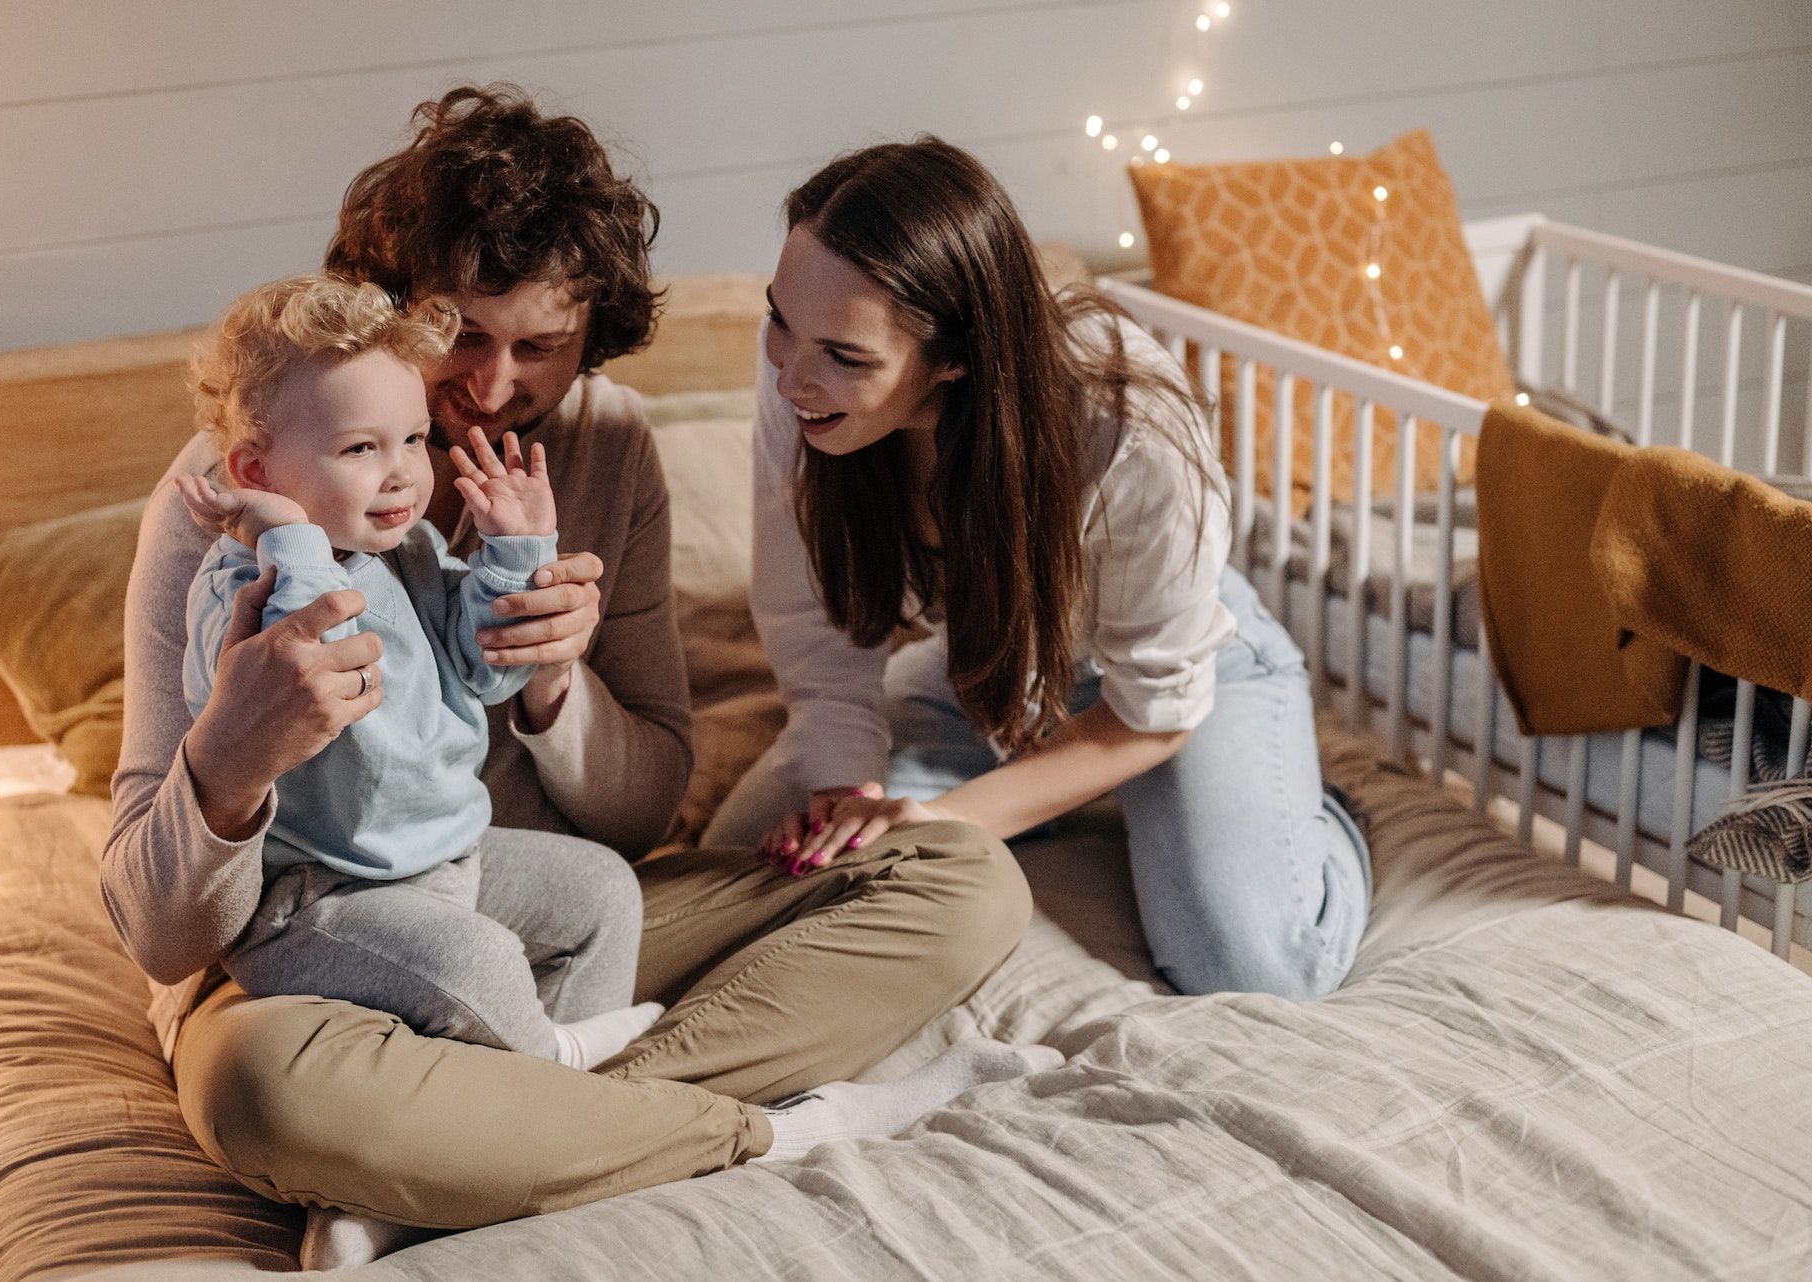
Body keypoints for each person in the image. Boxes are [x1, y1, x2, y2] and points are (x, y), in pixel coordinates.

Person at [100, 86, 1043, 1263]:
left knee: (963, 876)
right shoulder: (236, 494)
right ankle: (764, 1126)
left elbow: (643, 815)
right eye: (460, 338)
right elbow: (158, 933)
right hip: (311, 959)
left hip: (535, 914)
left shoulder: (606, 444)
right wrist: (231, 761)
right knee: (259, 1091)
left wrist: (557, 686)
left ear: (590, 339)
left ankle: (477, 1151)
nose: (491, 389)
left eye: (538, 347)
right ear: (393, 316)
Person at [702, 137, 1372, 1002]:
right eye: (780, 321)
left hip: (1163, 678)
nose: (792, 376)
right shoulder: (801, 373)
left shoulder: (1129, 424)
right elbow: (818, 638)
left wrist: (938, 818)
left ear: (955, 356)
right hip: (989, 669)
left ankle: (1316, 818)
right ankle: (1056, 797)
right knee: (757, 869)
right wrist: (850, 791)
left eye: (846, 358)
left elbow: (1152, 712)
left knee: (1252, 964)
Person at [178, 273, 663, 1069]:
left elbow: (487, 674)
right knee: (477, 963)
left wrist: (517, 551)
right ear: (256, 474)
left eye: (412, 439)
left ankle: (554, 1101)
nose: (403, 472)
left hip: (445, 858)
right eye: (361, 448)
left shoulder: (408, 555)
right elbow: (315, 667)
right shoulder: (241, 585)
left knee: (604, 890)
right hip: (323, 900)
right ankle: (561, 1063)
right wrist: (281, 532)